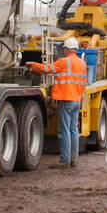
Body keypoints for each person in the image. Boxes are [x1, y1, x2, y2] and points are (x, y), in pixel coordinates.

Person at [27, 37, 87, 168]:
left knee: (64, 130)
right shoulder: (82, 63)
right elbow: (83, 82)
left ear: (66, 49)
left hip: (66, 99)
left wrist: (33, 65)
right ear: (75, 50)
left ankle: (65, 161)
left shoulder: (63, 62)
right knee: (73, 130)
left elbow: (47, 69)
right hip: (76, 99)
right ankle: (73, 160)